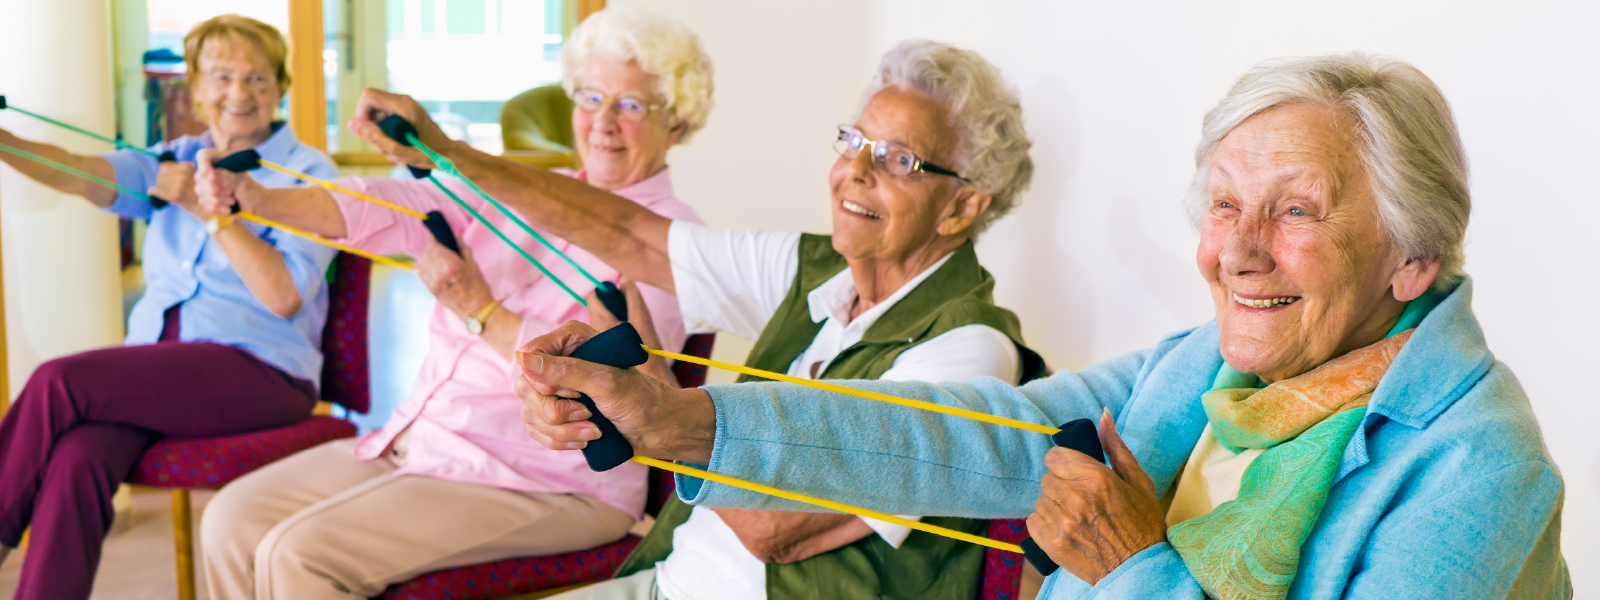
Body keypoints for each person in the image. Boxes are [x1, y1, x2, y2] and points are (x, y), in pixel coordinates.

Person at [515, 53, 1571, 599]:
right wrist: (681, 425)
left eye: (1295, 210)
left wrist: (1131, 570)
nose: (1236, 251)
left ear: (1412, 255)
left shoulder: (1479, 466)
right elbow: (966, 435)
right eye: (1222, 204)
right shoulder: (1204, 363)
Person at [349, 32, 1045, 599]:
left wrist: (651, 411)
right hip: (670, 575)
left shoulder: (966, 350)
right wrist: (448, 154)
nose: (856, 172)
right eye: (853, 141)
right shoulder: (818, 271)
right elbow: (628, 235)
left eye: (898, 159)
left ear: (963, 205)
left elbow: (776, 529)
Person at [192, 7, 707, 599]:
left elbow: (607, 379)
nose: (603, 123)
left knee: (300, 555)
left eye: (632, 105)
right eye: (591, 98)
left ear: (678, 120)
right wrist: (259, 201)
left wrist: (479, 308)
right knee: (230, 521)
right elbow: (384, 205)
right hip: (426, 439)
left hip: (545, 479)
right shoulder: (531, 190)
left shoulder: (671, 239)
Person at [0, 15, 338, 600]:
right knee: (78, 456)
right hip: (163, 373)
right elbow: (79, 174)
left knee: (60, 381)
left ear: (282, 86)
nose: (240, 94)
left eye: (258, 78)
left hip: (263, 371)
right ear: (197, 89)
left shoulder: (310, 174)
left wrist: (211, 212)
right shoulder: (172, 157)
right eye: (222, 76)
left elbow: (283, 296)